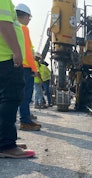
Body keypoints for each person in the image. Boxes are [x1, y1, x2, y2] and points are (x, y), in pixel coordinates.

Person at [0, 0, 35, 158]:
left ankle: (4, 139)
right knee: (11, 98)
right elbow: (4, 23)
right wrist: (16, 51)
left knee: (5, 100)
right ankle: (6, 144)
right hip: (6, 58)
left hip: (4, 57)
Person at [16, 3, 41, 131]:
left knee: (19, 96)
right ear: (25, 15)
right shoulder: (24, 28)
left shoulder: (13, 27)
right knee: (26, 96)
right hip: (26, 67)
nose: (29, 20)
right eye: (29, 18)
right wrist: (35, 69)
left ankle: (25, 116)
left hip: (17, 65)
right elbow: (28, 52)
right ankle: (25, 121)